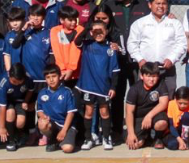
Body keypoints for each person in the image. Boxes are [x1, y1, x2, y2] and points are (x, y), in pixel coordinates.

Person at [127, 0, 186, 95]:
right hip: (146, 69)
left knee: (168, 98)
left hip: (167, 69)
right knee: (144, 100)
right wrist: (140, 60)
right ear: (150, 5)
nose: (161, 6)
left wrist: (171, 59)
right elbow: (132, 44)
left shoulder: (175, 23)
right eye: (157, 3)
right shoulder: (140, 23)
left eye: (164, 3)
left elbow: (182, 44)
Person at [74, 19, 120, 151]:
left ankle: (106, 137)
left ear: (106, 32)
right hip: (88, 85)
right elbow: (77, 41)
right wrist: (88, 28)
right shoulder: (87, 44)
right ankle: (88, 138)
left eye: (101, 31)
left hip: (103, 87)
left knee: (104, 112)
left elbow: (115, 70)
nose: (98, 34)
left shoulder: (110, 48)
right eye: (95, 31)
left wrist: (113, 87)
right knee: (88, 112)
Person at [125, 61, 173, 150]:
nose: (151, 79)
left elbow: (164, 103)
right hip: (139, 118)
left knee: (162, 123)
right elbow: (129, 112)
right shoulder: (134, 89)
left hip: (155, 115)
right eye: (148, 76)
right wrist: (130, 133)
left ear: (158, 76)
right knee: (136, 145)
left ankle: (157, 138)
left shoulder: (161, 84)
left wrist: (149, 116)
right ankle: (145, 137)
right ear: (141, 76)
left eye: (154, 76)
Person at [37, 63, 79, 152]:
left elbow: (71, 113)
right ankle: (52, 140)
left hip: (66, 125)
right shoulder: (42, 93)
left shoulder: (67, 92)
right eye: (48, 77)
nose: (51, 80)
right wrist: (44, 117)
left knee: (67, 149)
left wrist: (64, 130)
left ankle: (64, 139)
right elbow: (39, 110)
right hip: (53, 124)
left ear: (59, 76)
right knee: (42, 123)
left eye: (54, 76)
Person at [0, 64, 34, 151]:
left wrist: (25, 101)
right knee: (10, 113)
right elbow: (3, 108)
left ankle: (19, 134)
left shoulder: (28, 78)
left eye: (19, 82)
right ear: (9, 75)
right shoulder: (4, 83)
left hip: (19, 100)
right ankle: (11, 140)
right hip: (6, 101)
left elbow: (30, 90)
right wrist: (2, 128)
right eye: (14, 82)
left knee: (20, 122)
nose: (16, 84)